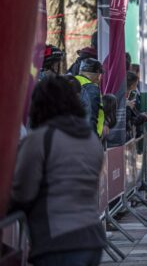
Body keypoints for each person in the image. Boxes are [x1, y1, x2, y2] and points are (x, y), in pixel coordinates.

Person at [11, 76, 106, 265]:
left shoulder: (40, 139)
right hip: (92, 236)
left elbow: (23, 192)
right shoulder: (90, 139)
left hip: (57, 240)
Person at [75, 58, 107, 139]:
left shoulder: (73, 81)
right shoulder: (90, 88)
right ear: (96, 73)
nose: (100, 78)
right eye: (100, 74)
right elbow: (90, 116)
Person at [126, 71, 147, 141]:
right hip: (124, 137)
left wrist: (142, 116)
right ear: (132, 85)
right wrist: (143, 118)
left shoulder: (131, 96)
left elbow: (134, 114)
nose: (136, 87)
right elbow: (131, 119)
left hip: (128, 135)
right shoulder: (125, 98)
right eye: (136, 85)